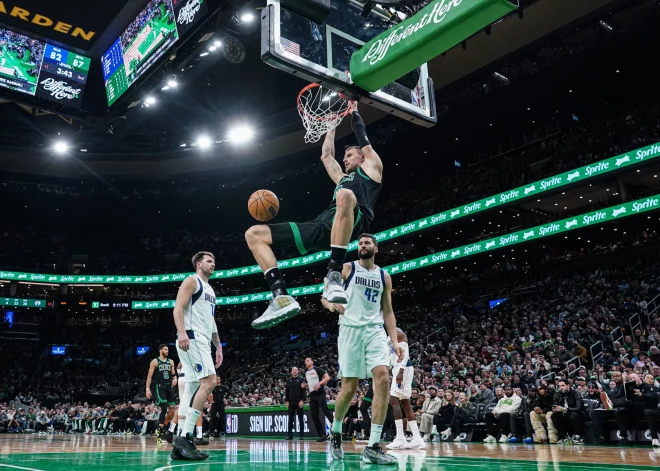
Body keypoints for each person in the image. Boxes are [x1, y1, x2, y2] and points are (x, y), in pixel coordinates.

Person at [247, 104, 383, 329]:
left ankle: (334, 274)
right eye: (345, 156)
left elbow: (362, 135)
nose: (345, 159)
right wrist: (331, 125)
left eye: (349, 155)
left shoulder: (372, 170)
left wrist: (353, 110)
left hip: (356, 220)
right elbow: (327, 156)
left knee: (346, 196)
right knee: (253, 233)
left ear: (362, 158)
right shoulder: (342, 179)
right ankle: (280, 296)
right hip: (323, 224)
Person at [321, 233, 402, 465]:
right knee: (349, 387)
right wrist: (330, 305)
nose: (362, 246)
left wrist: (394, 340)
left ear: (375, 248)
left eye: (367, 243)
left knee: (383, 378)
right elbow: (324, 296)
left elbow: (388, 310)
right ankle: (336, 431)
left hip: (375, 330)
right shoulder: (346, 269)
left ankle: (373, 445)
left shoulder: (384, 276)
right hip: (350, 331)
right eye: (360, 243)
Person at [172, 251, 223, 461]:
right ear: (199, 264)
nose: (213, 264)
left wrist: (218, 346)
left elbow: (211, 322)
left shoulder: (211, 290)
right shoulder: (192, 281)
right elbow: (177, 308)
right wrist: (182, 331)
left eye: (214, 261)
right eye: (209, 261)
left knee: (192, 387)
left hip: (202, 338)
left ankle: (179, 444)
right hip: (192, 337)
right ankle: (185, 437)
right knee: (210, 381)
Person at [386, 328, 424, 450]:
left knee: (393, 400)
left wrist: (401, 371)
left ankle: (400, 438)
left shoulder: (398, 333)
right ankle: (417, 438)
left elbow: (405, 353)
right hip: (397, 369)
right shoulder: (387, 337)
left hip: (404, 368)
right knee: (405, 403)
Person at [614, 373, 659, 447]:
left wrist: (641, 394)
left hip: (648, 409)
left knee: (647, 412)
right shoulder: (626, 388)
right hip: (633, 411)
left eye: (634, 377)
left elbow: (653, 397)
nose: (632, 380)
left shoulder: (648, 386)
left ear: (639, 377)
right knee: (619, 412)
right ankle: (624, 437)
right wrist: (625, 399)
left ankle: (654, 438)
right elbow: (616, 400)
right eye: (630, 379)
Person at [145, 344, 177, 444]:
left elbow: (173, 374)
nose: (167, 351)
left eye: (168, 349)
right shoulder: (155, 361)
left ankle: (160, 429)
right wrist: (147, 389)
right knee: (163, 408)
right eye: (165, 349)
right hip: (160, 387)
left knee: (172, 411)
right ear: (160, 350)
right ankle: (161, 433)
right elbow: (149, 376)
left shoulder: (171, 361)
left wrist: (175, 378)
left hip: (169, 387)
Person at [303, 357, 333, 442]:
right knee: (314, 415)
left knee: (325, 410)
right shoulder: (306, 372)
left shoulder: (317, 369)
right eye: (305, 361)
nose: (306, 362)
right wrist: (306, 386)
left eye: (308, 360)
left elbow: (327, 377)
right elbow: (310, 384)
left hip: (320, 393)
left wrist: (319, 384)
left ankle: (337, 428)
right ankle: (322, 434)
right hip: (312, 395)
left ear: (312, 362)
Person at [548, 378, 585, 445]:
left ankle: (577, 436)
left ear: (568, 385)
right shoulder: (557, 394)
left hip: (577, 414)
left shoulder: (576, 393)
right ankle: (563, 436)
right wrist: (555, 409)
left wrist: (565, 409)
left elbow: (578, 408)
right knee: (554, 416)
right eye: (559, 386)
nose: (561, 388)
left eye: (563, 385)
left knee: (572, 415)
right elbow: (555, 404)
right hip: (564, 414)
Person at [285, 367, 307, 440]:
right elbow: (287, 392)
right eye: (293, 370)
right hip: (291, 402)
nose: (294, 371)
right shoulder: (289, 381)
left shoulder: (301, 380)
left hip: (299, 402)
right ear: (291, 372)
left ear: (298, 371)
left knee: (301, 419)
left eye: (296, 370)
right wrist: (286, 401)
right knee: (290, 419)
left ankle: (301, 435)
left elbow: (304, 392)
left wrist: (302, 400)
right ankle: (289, 434)